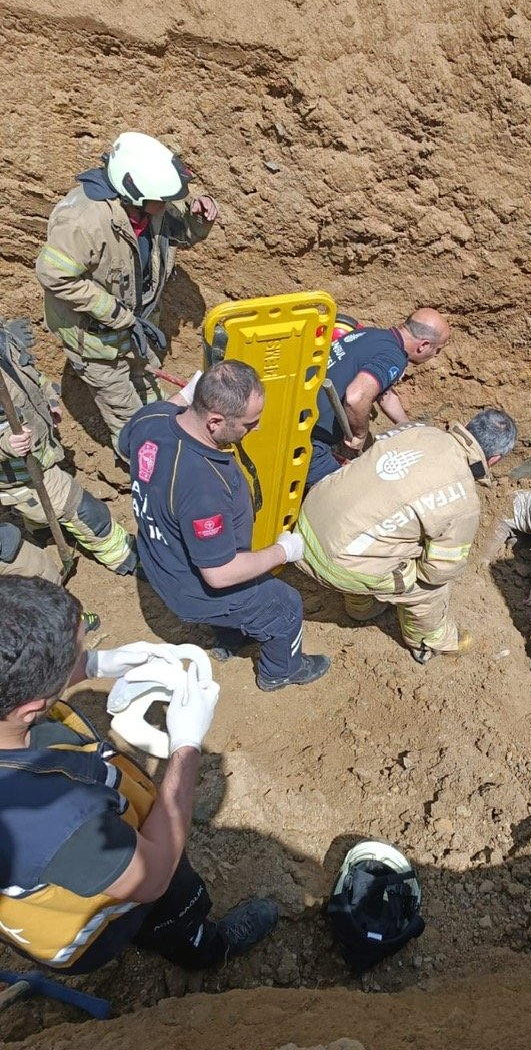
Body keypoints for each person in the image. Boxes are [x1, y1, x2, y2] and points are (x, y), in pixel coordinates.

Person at [0, 576, 277, 973]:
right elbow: (153, 874)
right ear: (31, 708)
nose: (86, 654)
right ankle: (202, 947)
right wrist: (186, 744)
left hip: (65, 874)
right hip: (88, 926)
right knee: (171, 905)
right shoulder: (47, 821)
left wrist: (95, 665)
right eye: (78, 654)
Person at [119, 360, 330, 692]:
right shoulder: (201, 484)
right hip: (192, 590)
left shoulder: (152, 418)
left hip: (163, 563)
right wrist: (282, 551)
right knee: (283, 604)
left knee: (237, 594)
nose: (257, 429)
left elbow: (130, 438)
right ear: (215, 421)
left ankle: (229, 638)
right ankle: (281, 671)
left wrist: (185, 393)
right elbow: (220, 574)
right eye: (250, 423)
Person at [36, 131, 218, 451]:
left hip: (134, 327)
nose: (165, 206)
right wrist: (115, 313)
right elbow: (53, 275)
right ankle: (142, 461)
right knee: (129, 418)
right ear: (133, 193)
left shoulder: (148, 205)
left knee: (145, 381)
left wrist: (198, 217)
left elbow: (182, 234)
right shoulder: (83, 221)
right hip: (94, 339)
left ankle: (154, 419)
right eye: (159, 200)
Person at [297, 411, 517, 663]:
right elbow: (438, 572)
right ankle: (429, 640)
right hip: (337, 562)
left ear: (466, 426)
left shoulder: (416, 430)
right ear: (495, 459)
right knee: (429, 588)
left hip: (309, 518)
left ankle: (362, 607)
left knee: (380, 530)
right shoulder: (463, 499)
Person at [0, 319, 136, 574]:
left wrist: (50, 397)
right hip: (19, 474)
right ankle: (124, 556)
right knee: (85, 510)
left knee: (41, 511)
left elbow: (31, 377)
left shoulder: (3, 338)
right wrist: (6, 445)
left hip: (39, 453)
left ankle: (38, 529)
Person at [307, 309, 451, 488]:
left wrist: (408, 427)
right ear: (423, 345)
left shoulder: (372, 334)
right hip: (307, 442)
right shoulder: (393, 357)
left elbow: (385, 395)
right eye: (437, 350)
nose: (436, 355)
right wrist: (360, 433)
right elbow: (356, 397)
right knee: (351, 493)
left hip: (298, 416)